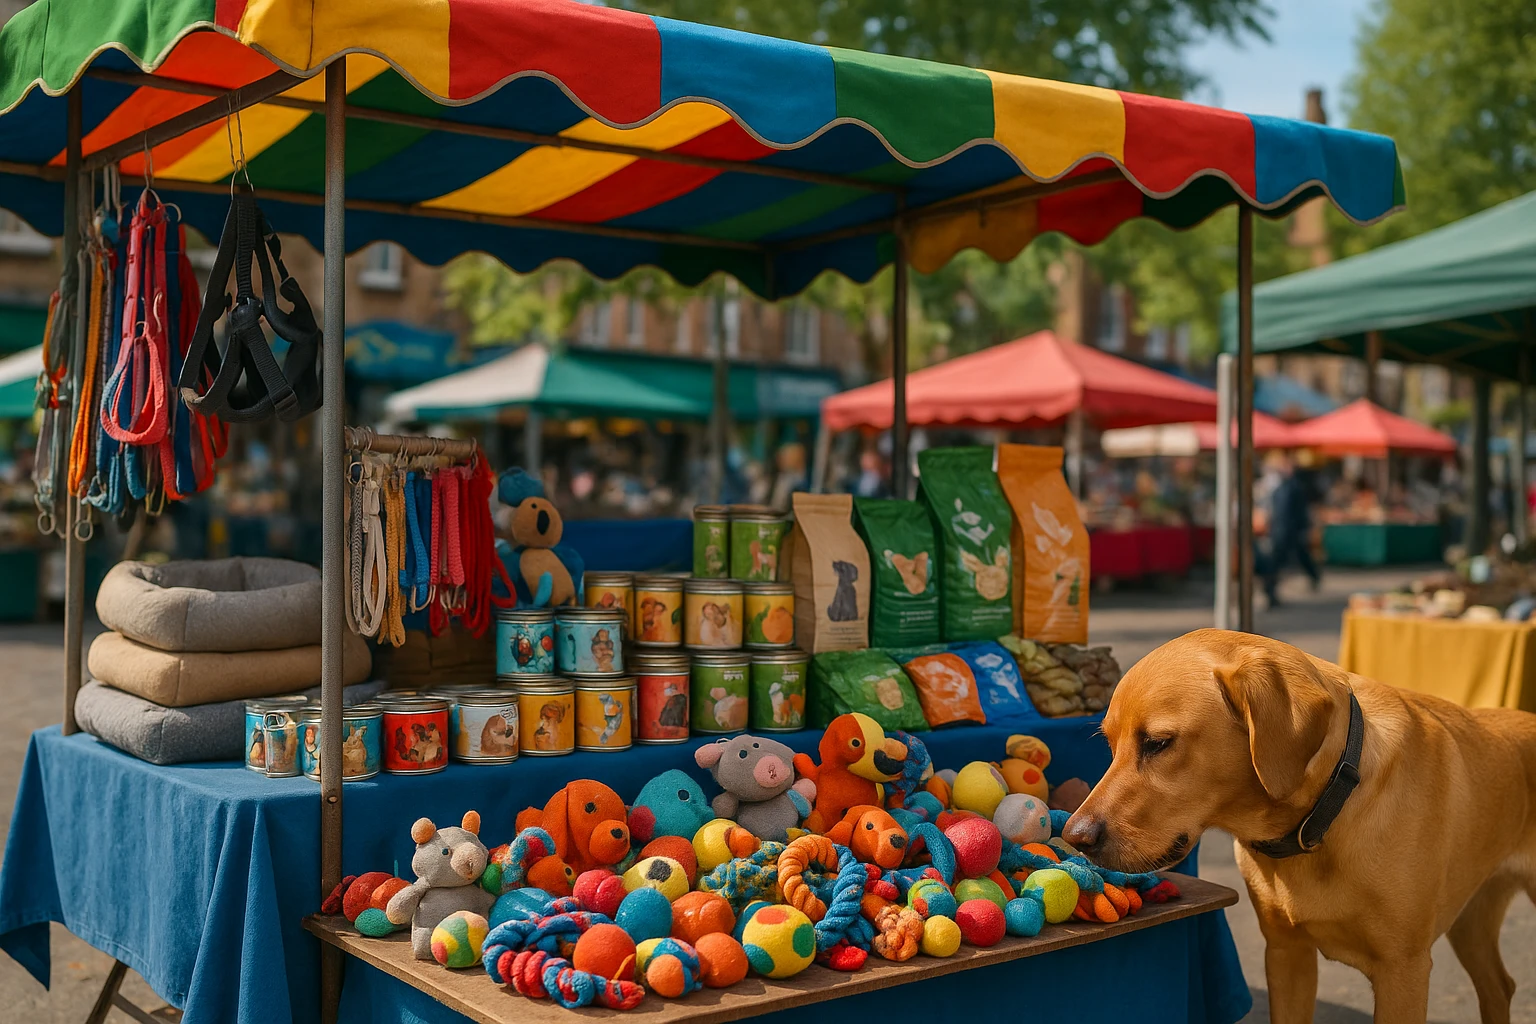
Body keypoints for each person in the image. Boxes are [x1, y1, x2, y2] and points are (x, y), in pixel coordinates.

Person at [1263, 451, 1319, 607]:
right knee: (1278, 562)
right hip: (1282, 530)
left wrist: (1302, 528)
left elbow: (1297, 511)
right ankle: (1271, 592)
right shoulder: (1280, 485)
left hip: (1288, 530)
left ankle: (1271, 591)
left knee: (1288, 559)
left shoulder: (1293, 486)